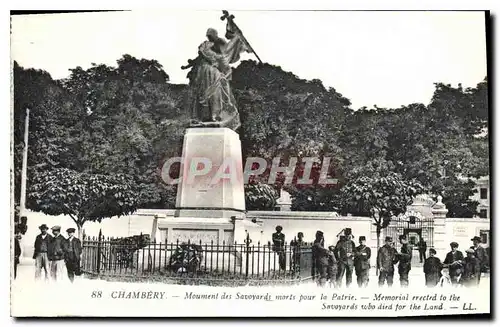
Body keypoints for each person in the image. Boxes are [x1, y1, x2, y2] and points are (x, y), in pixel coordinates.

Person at [187, 22, 249, 131]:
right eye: (210, 35)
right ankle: (207, 117)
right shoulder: (206, 45)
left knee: (215, 93)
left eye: (211, 34)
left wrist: (235, 42)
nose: (210, 36)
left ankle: (213, 116)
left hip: (210, 71)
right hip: (206, 72)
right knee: (207, 93)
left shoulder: (213, 45)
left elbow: (224, 55)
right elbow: (215, 55)